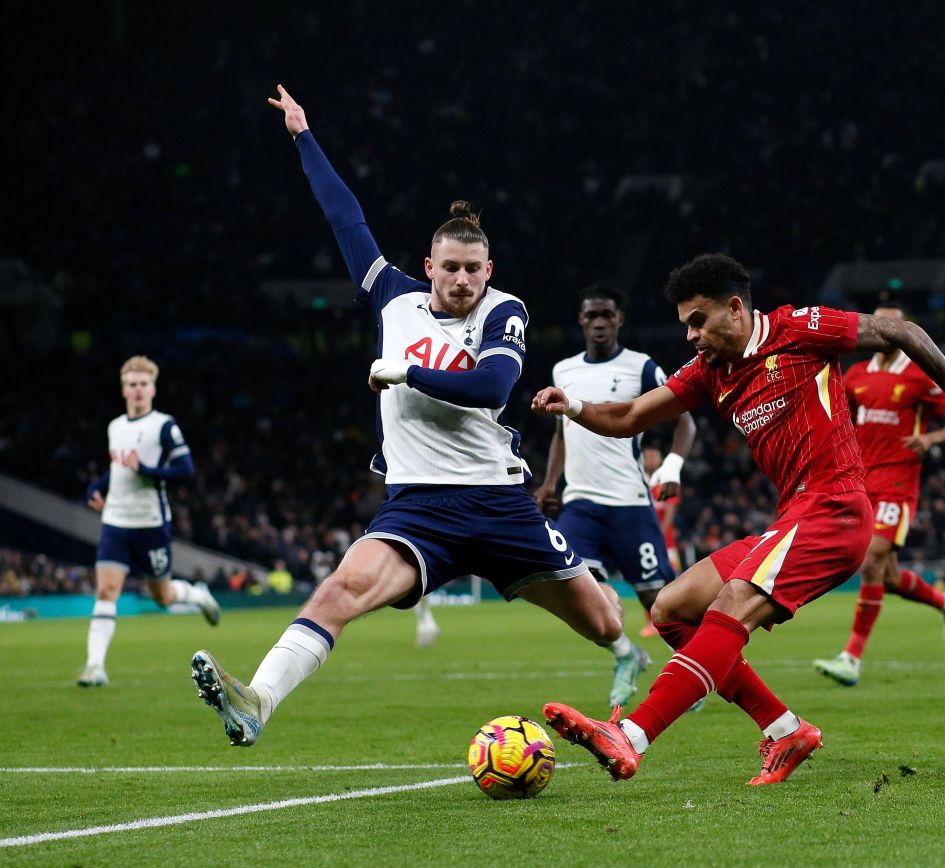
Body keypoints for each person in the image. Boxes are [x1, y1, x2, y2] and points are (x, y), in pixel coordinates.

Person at [190, 85, 626, 747]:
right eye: (449, 268)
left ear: (489, 270)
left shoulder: (504, 311)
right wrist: (303, 135)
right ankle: (257, 702)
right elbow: (344, 218)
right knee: (340, 591)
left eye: (472, 270)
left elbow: (492, 386)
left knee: (603, 624)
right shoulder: (393, 297)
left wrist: (405, 372)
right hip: (418, 506)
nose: (460, 280)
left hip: (500, 502)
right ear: (428, 267)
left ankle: (631, 652)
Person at [533, 253, 945, 784]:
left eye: (698, 321)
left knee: (732, 602)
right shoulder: (711, 372)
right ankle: (784, 728)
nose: (690, 335)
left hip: (834, 508)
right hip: (791, 518)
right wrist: (572, 407)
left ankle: (630, 734)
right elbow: (631, 416)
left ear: (734, 308)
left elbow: (904, 332)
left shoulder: (799, 330)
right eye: (685, 324)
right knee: (672, 609)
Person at [532, 283, 696, 703]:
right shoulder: (564, 371)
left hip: (630, 503)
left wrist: (673, 465)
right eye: (591, 315)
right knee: (583, 596)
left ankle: (696, 673)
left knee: (661, 604)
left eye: (607, 314)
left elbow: (684, 420)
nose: (599, 322)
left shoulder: (641, 368)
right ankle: (626, 655)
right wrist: (551, 483)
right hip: (581, 505)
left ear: (619, 320)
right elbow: (561, 434)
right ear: (581, 321)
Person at [813, 305, 945, 687]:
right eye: (876, 323)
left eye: (891, 325)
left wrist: (930, 438)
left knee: (871, 562)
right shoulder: (857, 374)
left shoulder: (918, 377)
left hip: (899, 483)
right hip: (861, 481)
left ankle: (851, 658)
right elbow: (840, 418)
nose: (880, 331)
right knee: (890, 578)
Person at [80, 356, 219, 687]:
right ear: (123, 389)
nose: (138, 390)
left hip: (152, 523)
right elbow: (117, 468)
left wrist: (146, 471)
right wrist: (96, 488)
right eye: (132, 384)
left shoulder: (164, 426)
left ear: (153, 388)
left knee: (162, 596)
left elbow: (185, 470)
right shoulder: (115, 427)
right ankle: (94, 667)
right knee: (106, 589)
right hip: (116, 521)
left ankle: (198, 595)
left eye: (143, 384)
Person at [641, 446, 683, 638]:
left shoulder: (666, 482)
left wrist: (658, 536)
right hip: (645, 542)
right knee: (647, 580)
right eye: (647, 456)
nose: (649, 459)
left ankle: (676, 618)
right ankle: (652, 621)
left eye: (653, 456)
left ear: (659, 460)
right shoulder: (639, 482)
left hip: (666, 543)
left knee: (671, 580)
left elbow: (669, 514)